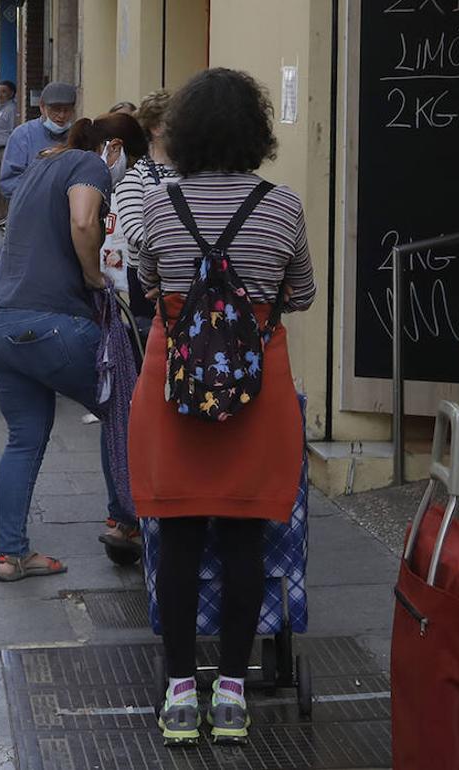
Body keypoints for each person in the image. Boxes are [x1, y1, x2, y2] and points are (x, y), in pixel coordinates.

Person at [127, 68, 316, 746]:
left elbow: (148, 289)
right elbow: (302, 294)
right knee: (245, 538)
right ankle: (233, 688)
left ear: (183, 134)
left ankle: (181, 689)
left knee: (176, 536)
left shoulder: (157, 206)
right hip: (256, 391)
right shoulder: (283, 206)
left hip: (172, 387)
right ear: (255, 133)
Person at [0, 112, 149, 582]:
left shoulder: (41, 163)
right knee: (125, 410)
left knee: (24, 439)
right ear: (114, 148)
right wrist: (94, 277)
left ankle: (11, 555)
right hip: (49, 325)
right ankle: (126, 523)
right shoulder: (88, 166)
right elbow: (83, 219)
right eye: (128, 162)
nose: (123, 173)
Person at [113, 89, 176, 323]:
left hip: (187, 278)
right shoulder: (134, 175)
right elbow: (134, 231)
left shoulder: (194, 172)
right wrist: (182, 250)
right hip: (147, 280)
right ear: (156, 128)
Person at [0, 81, 77, 200]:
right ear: (42, 107)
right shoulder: (23, 135)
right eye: (56, 109)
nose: (61, 115)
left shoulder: (78, 135)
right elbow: (8, 183)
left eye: (67, 110)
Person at [0, 80, 19, 225]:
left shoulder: (10, 109)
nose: (0, 94)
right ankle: (1, 216)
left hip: (4, 151)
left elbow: (14, 130)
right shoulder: (2, 109)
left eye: (3, 92)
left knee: (4, 185)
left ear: (11, 93)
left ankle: (6, 217)